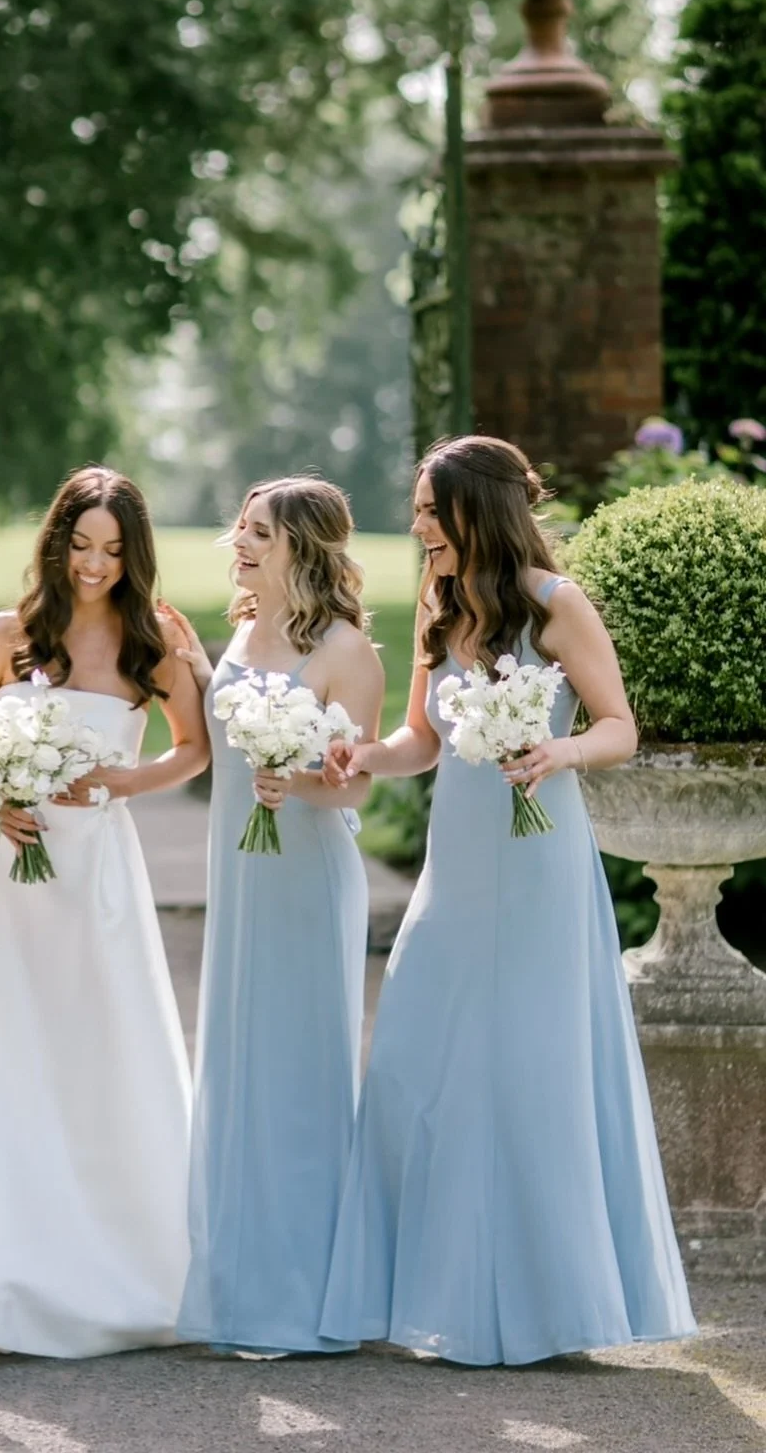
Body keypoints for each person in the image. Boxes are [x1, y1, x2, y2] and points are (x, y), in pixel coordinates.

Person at [319, 435, 696, 1365]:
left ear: (476, 512)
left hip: (539, 864)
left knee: (533, 1068)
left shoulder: (554, 606)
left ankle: (552, 1310)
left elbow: (618, 728)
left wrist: (557, 751)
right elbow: (421, 740)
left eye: (429, 511)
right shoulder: (439, 611)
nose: (416, 528)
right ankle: (428, 1294)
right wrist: (366, 756)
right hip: (459, 865)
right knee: (417, 1052)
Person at [0, 465, 209, 1357]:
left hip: (95, 876)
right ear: (55, 541)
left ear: (134, 555)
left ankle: (108, 1263)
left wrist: (120, 782)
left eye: (112, 550)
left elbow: (192, 751)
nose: (95, 565)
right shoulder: (10, 633)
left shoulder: (157, 641)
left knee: (91, 1049)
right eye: (81, 545)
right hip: (0, 864)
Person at [171, 476, 383, 1357]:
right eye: (240, 530)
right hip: (242, 875)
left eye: (258, 532)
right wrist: (190, 666)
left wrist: (295, 781)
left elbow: (361, 780)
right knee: (240, 1061)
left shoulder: (345, 651)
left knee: (299, 1066)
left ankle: (304, 1297)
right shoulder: (241, 631)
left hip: (306, 874)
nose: (240, 544)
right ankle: (239, 1285)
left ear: (303, 544)